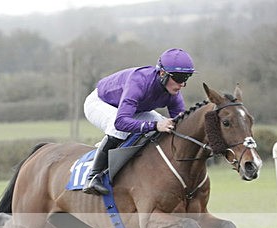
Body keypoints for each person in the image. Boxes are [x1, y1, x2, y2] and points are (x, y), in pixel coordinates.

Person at [81, 48, 195, 195]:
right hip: (101, 103)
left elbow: (180, 125)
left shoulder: (174, 94)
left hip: (131, 110)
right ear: (162, 73)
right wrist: (154, 126)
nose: (182, 85)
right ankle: (92, 177)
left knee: (165, 124)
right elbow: (121, 122)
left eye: (186, 78)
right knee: (121, 129)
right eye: (179, 78)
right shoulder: (139, 82)